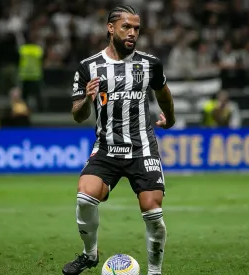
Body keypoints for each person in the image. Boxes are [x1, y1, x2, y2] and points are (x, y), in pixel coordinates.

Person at [62, 5, 175, 275]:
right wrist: (86, 101)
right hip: (106, 148)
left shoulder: (149, 64)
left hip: (142, 148)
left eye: (136, 28)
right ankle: (90, 255)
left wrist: (169, 119)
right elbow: (78, 115)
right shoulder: (88, 67)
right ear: (110, 28)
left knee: (153, 212)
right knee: (85, 197)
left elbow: (163, 93)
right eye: (127, 27)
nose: (133, 33)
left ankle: (155, 272)